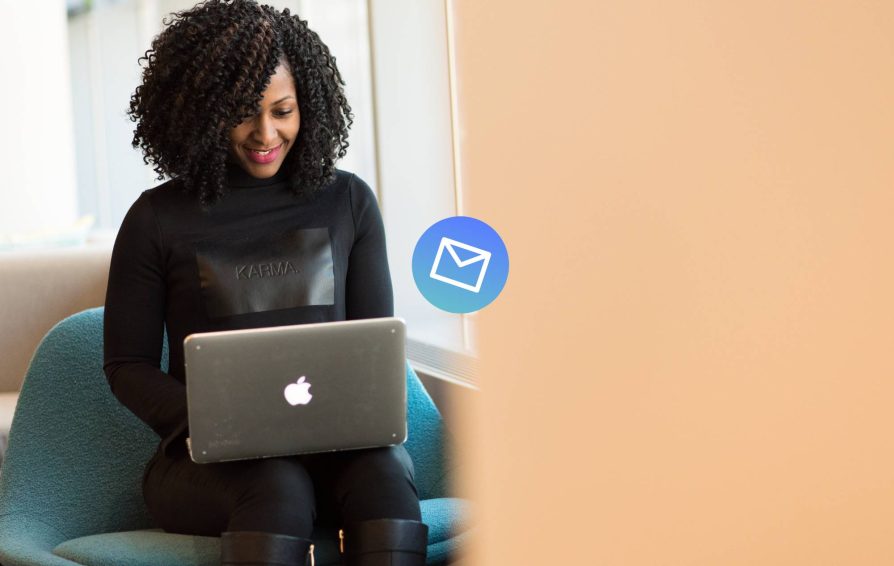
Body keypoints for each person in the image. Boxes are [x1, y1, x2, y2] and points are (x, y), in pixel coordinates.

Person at [102, 1, 428, 564]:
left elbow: (373, 349)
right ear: (203, 112)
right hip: (210, 464)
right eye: (242, 114)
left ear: (308, 105)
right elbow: (126, 366)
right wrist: (215, 422)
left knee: (383, 478)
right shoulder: (156, 219)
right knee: (278, 485)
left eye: (283, 111)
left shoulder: (349, 201)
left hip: (338, 451)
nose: (265, 133)